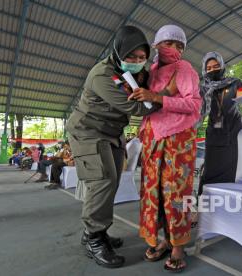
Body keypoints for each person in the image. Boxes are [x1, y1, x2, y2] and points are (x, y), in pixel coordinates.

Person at [65, 25, 160, 268]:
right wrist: (165, 98)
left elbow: (150, 88)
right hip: (88, 131)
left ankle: (98, 232)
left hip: (113, 132)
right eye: (132, 57)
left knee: (114, 180)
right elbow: (136, 107)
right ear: (118, 52)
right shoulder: (103, 75)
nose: (138, 62)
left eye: (142, 58)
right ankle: (93, 238)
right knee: (103, 180)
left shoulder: (138, 73)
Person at [129, 25, 201, 273]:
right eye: (169, 43)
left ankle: (178, 246)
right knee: (153, 193)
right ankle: (161, 239)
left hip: (177, 138)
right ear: (157, 45)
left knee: (177, 192)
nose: (175, 49)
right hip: (152, 139)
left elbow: (194, 104)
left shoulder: (185, 69)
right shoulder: (151, 70)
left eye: (180, 45)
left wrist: (159, 98)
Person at [197, 52, 242, 197]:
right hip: (214, 136)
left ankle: (232, 209)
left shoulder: (235, 83)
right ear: (204, 70)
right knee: (209, 172)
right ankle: (204, 209)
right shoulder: (202, 89)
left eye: (216, 66)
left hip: (235, 133)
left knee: (234, 172)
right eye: (208, 68)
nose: (212, 70)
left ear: (222, 66)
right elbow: (196, 112)